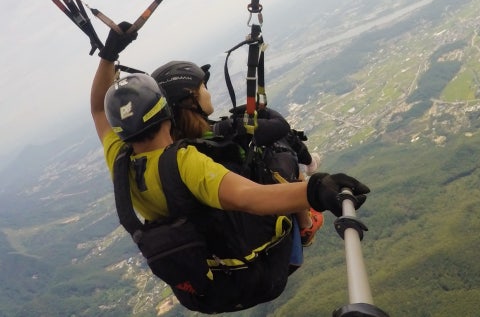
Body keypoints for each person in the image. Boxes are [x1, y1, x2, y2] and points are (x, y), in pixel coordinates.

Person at [91, 24, 369, 312]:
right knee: (276, 156)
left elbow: (98, 109)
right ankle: (305, 227)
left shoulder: (120, 161)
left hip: (205, 286)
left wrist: (109, 54)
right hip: (257, 274)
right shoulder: (185, 163)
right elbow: (252, 197)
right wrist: (317, 189)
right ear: (166, 111)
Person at [150, 59, 324, 249]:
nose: (208, 93)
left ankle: (307, 167)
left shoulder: (177, 148)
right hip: (255, 205)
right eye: (203, 88)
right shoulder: (222, 134)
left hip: (225, 230)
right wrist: (262, 111)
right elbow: (280, 127)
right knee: (282, 146)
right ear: (191, 100)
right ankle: (306, 224)